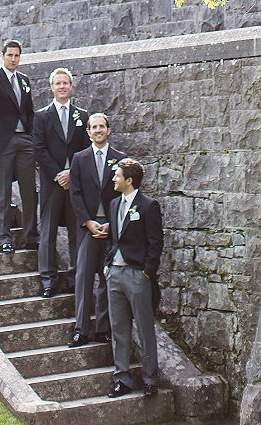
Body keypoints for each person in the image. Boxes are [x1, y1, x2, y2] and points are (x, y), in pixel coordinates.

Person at [105, 158, 164, 399]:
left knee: (145, 329)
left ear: (129, 180)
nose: (113, 180)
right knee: (118, 329)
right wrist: (108, 266)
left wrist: (146, 273)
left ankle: (150, 379)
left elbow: (156, 243)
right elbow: (113, 239)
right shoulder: (112, 204)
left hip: (137, 276)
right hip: (115, 275)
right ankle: (122, 379)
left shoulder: (149, 206)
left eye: (117, 176)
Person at [32, 67, 89, 297]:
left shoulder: (82, 116)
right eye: (58, 83)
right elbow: (39, 149)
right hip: (52, 183)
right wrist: (58, 174)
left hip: (75, 184)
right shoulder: (41, 116)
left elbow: (86, 148)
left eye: (65, 83)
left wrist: (71, 174)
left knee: (76, 232)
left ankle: (76, 279)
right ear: (51, 87)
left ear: (71, 86)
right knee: (48, 232)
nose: (62, 87)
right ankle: (48, 279)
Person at [69, 113, 123, 347]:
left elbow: (124, 194)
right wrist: (88, 222)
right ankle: (81, 329)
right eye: (94, 127)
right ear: (88, 132)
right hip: (88, 225)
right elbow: (75, 193)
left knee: (106, 277)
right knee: (83, 277)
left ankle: (103, 329)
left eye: (102, 126)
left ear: (109, 130)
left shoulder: (120, 159)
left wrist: (113, 222)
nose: (98, 130)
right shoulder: (79, 159)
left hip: (111, 226)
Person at [0, 39, 37, 254]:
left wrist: (34, 137)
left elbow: (29, 112)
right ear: (2, 56)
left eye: (16, 56)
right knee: (2, 191)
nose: (13, 59)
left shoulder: (24, 80)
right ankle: (3, 238)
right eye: (10, 55)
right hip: (3, 141)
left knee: (29, 191)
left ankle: (31, 236)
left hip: (25, 140)